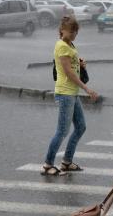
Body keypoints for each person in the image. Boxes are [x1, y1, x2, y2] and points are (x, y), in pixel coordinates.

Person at [41, 16, 98, 176]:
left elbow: (72, 67)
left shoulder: (69, 45)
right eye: (71, 31)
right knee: (62, 131)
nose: (74, 34)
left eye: (76, 31)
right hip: (65, 93)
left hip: (72, 93)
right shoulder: (62, 46)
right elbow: (68, 72)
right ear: (62, 30)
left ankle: (66, 161)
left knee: (81, 127)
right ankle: (47, 164)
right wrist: (87, 88)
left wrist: (80, 65)